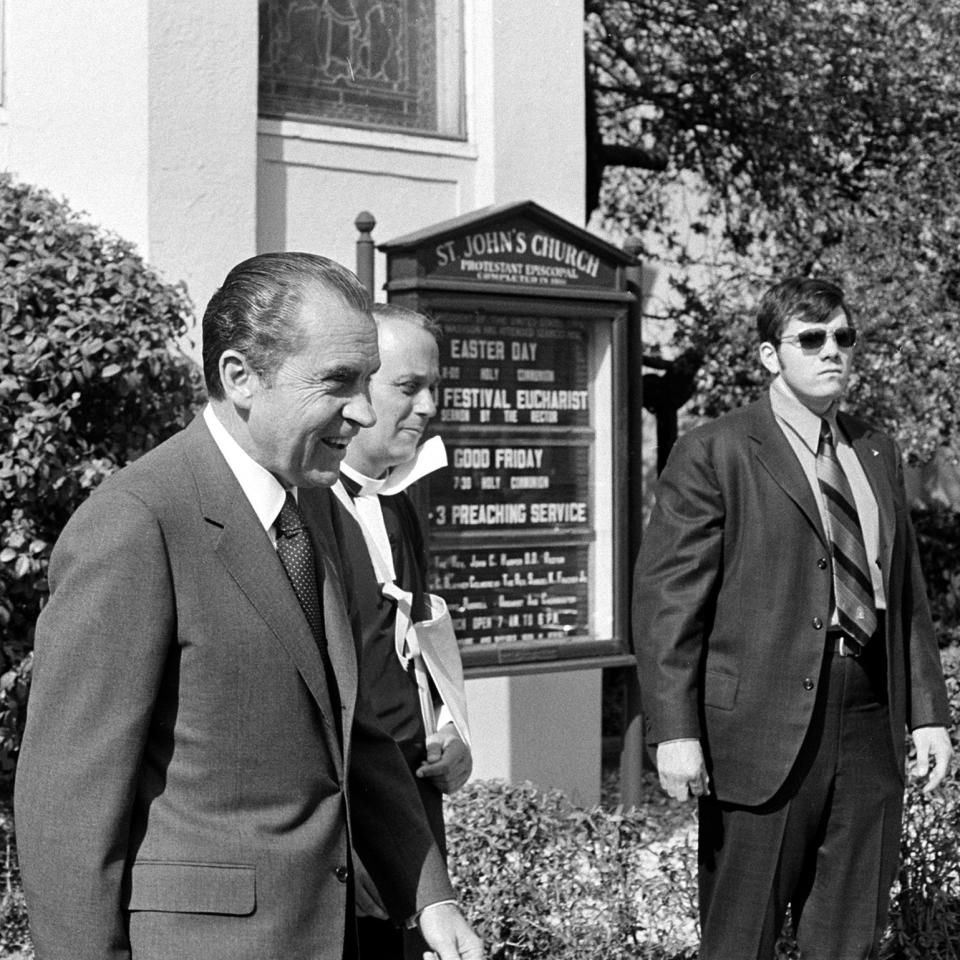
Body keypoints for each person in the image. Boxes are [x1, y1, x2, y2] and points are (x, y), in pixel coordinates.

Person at [14, 253, 483, 960]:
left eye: (365, 380)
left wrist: (430, 896)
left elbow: (351, 736)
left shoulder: (316, 506)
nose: (362, 410)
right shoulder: (137, 522)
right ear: (240, 377)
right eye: (337, 382)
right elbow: (69, 807)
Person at [633, 277, 953, 960]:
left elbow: (907, 590)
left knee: (849, 937)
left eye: (843, 337)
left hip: (868, 716)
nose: (832, 350)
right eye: (811, 339)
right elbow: (667, 601)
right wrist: (673, 731)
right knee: (739, 939)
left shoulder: (875, 450)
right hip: (757, 731)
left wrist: (927, 712)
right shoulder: (715, 450)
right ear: (769, 356)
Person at [332, 304, 472, 960]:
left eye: (433, 388)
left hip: (413, 803)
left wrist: (451, 730)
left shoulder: (398, 507)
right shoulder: (301, 514)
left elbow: (419, 644)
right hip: (348, 823)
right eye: (408, 387)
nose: (427, 405)